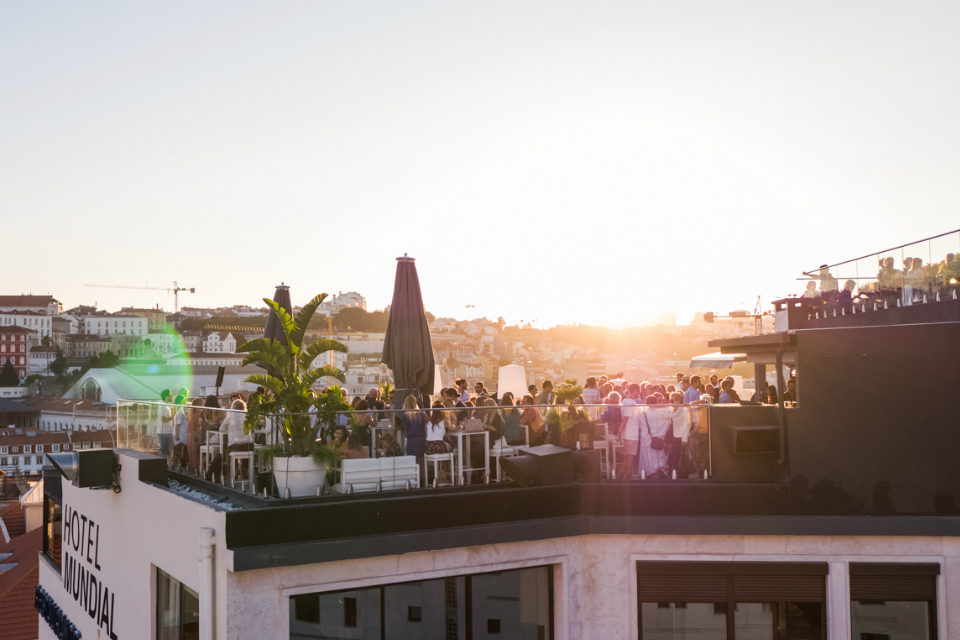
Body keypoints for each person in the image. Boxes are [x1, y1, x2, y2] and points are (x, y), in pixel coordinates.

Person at [208, 399, 251, 480]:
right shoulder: (247, 415)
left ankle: (235, 469)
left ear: (233, 408)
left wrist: (230, 430)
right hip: (247, 445)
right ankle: (245, 469)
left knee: (229, 448)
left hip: (235, 445)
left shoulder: (230, 415)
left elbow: (221, 428)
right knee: (245, 446)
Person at [638, 395, 671, 478]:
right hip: (659, 438)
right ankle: (659, 468)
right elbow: (669, 420)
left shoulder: (642, 413)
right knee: (659, 455)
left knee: (647, 457)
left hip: (646, 438)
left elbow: (640, 426)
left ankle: (650, 472)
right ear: (656, 402)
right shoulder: (662, 412)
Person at [618, 383, 641, 480]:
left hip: (627, 434)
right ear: (635, 391)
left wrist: (620, 432)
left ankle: (619, 477)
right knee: (630, 458)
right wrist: (620, 431)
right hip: (631, 434)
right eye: (638, 391)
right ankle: (628, 479)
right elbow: (625, 418)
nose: (639, 393)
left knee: (626, 458)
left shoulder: (624, 401)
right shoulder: (631, 403)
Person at [400, 395, 427, 459]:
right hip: (421, 438)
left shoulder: (405, 415)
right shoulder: (422, 414)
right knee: (421, 459)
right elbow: (429, 421)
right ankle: (421, 469)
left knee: (411, 459)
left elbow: (406, 427)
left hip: (410, 439)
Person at [186, 398, 204, 472]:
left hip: (189, 434)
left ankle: (192, 468)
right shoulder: (199, 413)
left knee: (191, 452)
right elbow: (199, 424)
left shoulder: (191, 413)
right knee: (196, 452)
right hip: (195, 434)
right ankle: (197, 468)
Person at [157, 389, 175, 461]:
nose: (172, 396)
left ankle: (165, 465)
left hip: (166, 431)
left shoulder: (166, 406)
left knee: (167, 450)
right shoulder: (163, 406)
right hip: (164, 432)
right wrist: (172, 417)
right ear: (166, 397)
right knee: (164, 451)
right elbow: (163, 419)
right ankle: (161, 465)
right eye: (170, 395)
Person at [172, 395, 189, 468]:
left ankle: (179, 465)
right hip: (181, 434)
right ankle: (180, 465)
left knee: (180, 450)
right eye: (184, 400)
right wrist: (177, 435)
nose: (185, 401)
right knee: (180, 450)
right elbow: (177, 425)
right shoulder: (180, 411)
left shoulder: (180, 410)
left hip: (182, 433)